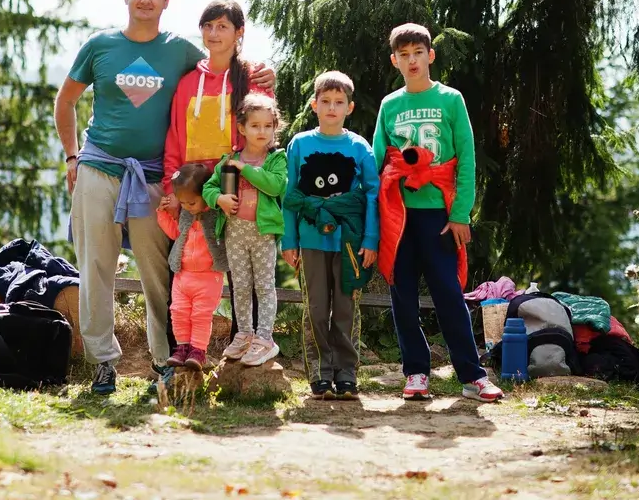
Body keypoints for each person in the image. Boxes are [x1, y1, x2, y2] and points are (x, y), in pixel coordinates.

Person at [54, 0, 273, 395]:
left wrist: (260, 74)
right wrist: (71, 156)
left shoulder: (178, 51)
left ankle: (163, 360)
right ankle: (103, 362)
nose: (146, 0)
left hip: (154, 178)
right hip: (98, 165)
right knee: (96, 267)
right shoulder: (100, 46)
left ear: (166, 2)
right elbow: (66, 102)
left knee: (159, 271)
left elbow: (218, 68)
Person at [372, 23, 504, 403]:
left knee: (449, 293)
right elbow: (380, 159)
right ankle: (415, 373)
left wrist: (461, 213)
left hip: (440, 216)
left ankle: (472, 375)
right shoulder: (390, 105)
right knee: (403, 295)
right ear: (395, 60)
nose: (412, 60)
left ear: (430, 56)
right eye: (404, 55)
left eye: (418, 53)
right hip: (399, 217)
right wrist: (374, 215)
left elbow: (466, 157)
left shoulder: (451, 100)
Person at [161, 0, 274, 345]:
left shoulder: (253, 78)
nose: (214, 33)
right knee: (184, 271)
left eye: (222, 26)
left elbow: (262, 132)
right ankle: (181, 354)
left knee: (247, 274)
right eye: (208, 26)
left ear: (239, 33)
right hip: (195, 192)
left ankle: (253, 344)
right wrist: (173, 187)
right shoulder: (187, 83)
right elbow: (175, 138)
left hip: (236, 192)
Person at [281, 71, 379, 400]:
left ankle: (347, 374)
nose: (332, 108)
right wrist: (290, 240)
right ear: (314, 105)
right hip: (310, 242)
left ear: (350, 107)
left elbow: (371, 196)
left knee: (347, 308)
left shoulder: (359, 147)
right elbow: (291, 195)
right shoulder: (300, 144)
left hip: (350, 243)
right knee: (317, 308)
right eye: (325, 102)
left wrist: (370, 240)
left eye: (339, 102)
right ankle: (320, 374)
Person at [202, 94, 286, 366]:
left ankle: (265, 338)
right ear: (242, 128)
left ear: (275, 127)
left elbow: (275, 186)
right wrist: (219, 199)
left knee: (264, 287)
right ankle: (245, 334)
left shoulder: (276, 159)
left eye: (267, 126)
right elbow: (208, 187)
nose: (262, 131)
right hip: (234, 234)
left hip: (263, 234)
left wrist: (245, 170)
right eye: (255, 126)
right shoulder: (229, 160)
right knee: (239, 286)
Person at [157, 164, 227, 370]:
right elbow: (176, 235)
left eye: (192, 202)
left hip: (208, 276)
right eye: (184, 203)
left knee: (201, 315)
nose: (187, 206)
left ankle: (198, 351)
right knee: (178, 311)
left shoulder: (215, 215)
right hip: (183, 275)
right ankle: (182, 348)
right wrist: (162, 215)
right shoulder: (186, 214)